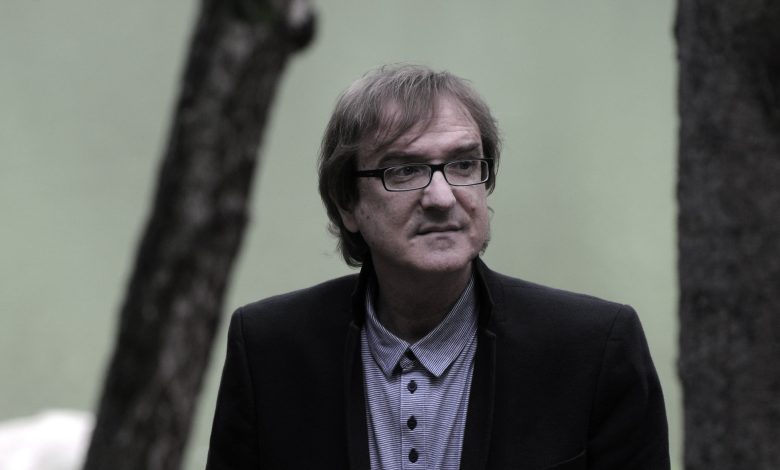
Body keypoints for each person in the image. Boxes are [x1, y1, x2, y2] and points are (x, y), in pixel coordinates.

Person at [206, 64, 669, 470]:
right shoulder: (270, 350)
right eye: (404, 170)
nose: (442, 197)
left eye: (463, 164)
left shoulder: (594, 349)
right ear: (348, 203)